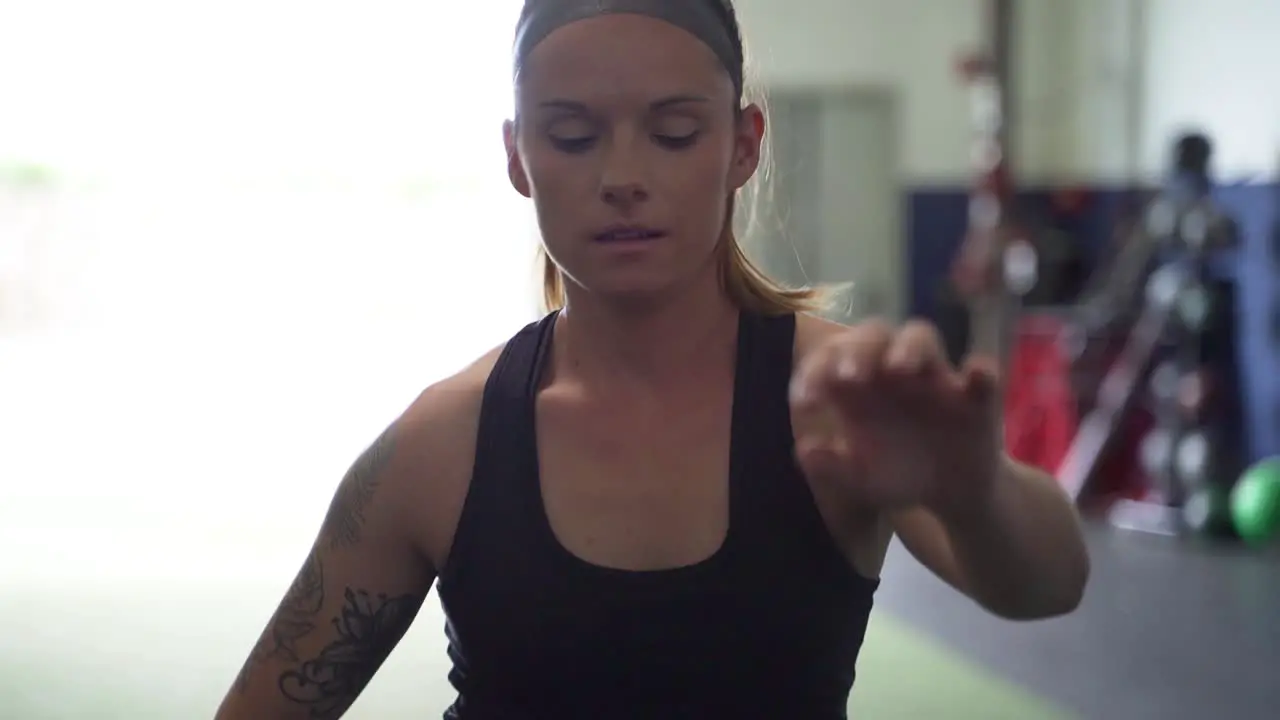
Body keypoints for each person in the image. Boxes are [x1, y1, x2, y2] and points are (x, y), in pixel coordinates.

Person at [215, 1, 1090, 718]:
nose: (624, 175)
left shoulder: (835, 400)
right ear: (518, 156)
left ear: (743, 146)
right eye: (572, 135)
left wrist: (973, 494)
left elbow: (1050, 585)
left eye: (673, 132)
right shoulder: (447, 441)